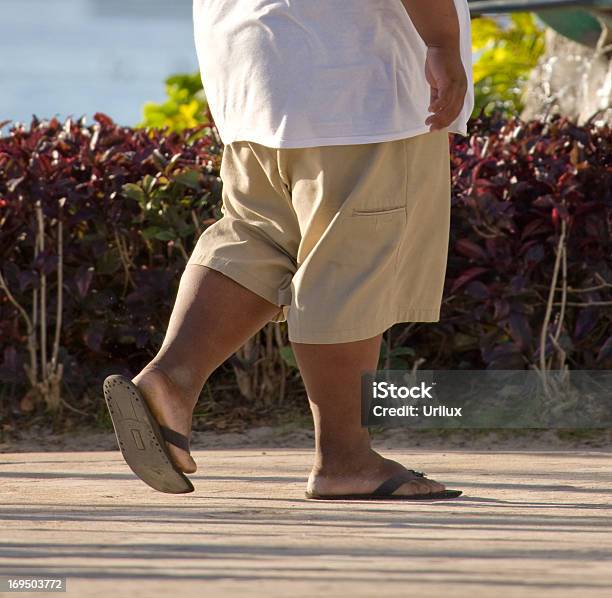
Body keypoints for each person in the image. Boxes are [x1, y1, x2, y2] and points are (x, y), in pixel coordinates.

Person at [103, 0, 474, 498]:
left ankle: (170, 382)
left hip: (249, 61)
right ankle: (345, 458)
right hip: (355, 75)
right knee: (348, 261)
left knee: (259, 237)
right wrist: (442, 43)